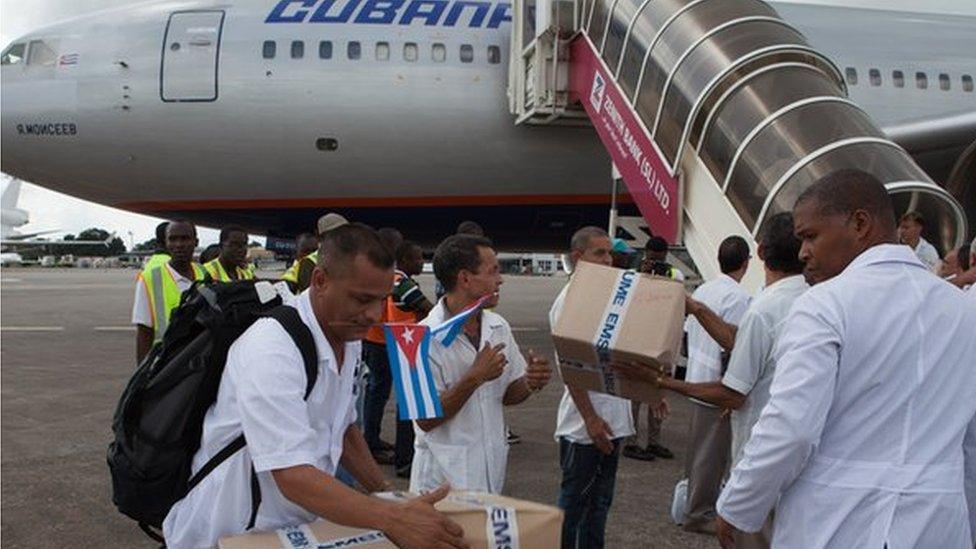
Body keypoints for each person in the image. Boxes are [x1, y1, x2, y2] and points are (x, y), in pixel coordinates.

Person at [161, 224, 467, 549]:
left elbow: (343, 429)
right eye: (362, 299)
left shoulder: (345, 333)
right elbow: (291, 474)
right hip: (229, 534)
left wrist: (390, 496)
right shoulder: (272, 348)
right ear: (320, 281)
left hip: (291, 529)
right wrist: (391, 517)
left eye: (381, 300)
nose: (374, 315)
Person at [714, 169, 976, 548]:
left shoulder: (824, 305)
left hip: (839, 522)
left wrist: (738, 505)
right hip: (938, 524)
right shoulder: (961, 310)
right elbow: (969, 441)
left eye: (810, 236)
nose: (803, 251)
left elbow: (791, 429)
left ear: (860, 223)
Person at [620, 213, 808, 549]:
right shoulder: (812, 300)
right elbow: (742, 340)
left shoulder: (761, 309)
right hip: (800, 453)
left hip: (760, 447)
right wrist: (697, 310)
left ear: (762, 252)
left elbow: (733, 393)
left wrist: (661, 381)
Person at [410, 234, 552, 494]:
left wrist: (530, 382)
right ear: (465, 278)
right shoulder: (419, 339)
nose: (500, 279)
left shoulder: (498, 326)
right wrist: (474, 377)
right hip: (440, 486)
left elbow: (508, 395)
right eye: (493, 271)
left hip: (490, 477)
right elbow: (424, 419)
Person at [552, 226, 636, 549]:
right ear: (578, 258)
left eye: (609, 252)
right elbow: (569, 368)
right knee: (573, 504)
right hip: (584, 426)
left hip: (613, 419)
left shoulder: (606, 296)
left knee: (600, 504)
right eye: (599, 253)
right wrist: (590, 418)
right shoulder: (569, 302)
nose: (609, 259)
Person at [676, 235, 752, 533]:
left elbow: (685, 336)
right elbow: (733, 346)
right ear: (746, 263)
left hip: (695, 377)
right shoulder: (740, 299)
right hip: (716, 386)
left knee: (698, 454)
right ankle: (699, 514)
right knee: (712, 456)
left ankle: (692, 506)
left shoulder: (703, 290)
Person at [362, 239, 433, 474]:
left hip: (377, 340)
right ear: (403, 260)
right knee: (407, 402)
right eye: (418, 257)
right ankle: (405, 459)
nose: (422, 261)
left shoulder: (386, 278)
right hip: (401, 343)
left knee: (376, 395)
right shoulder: (403, 283)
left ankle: (371, 441)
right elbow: (429, 309)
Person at [624, 236, 682, 463]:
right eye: (652, 258)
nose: (655, 262)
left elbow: (677, 298)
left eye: (659, 259)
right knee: (634, 395)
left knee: (657, 394)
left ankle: (654, 442)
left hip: (659, 339)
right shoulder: (634, 274)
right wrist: (643, 274)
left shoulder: (673, 274)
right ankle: (630, 441)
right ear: (645, 254)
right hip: (637, 338)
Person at [132, 220, 207, 362]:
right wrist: (143, 375)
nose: (179, 245)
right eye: (173, 239)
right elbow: (144, 332)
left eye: (185, 238)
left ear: (196, 242)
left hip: (202, 360)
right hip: (167, 363)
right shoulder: (149, 279)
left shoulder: (206, 274)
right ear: (166, 243)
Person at [281, 213, 348, 293]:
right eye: (337, 234)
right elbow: (312, 298)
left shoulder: (350, 256)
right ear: (323, 238)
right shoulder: (310, 263)